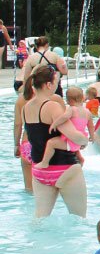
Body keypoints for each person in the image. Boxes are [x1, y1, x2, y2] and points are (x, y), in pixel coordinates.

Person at [22, 65, 89, 217]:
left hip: (39, 170)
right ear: (48, 85)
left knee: (40, 219)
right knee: (79, 219)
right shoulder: (51, 106)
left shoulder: (26, 107)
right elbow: (73, 135)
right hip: (64, 167)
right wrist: (85, 139)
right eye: (56, 83)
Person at [37, 86, 95, 168]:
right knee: (75, 149)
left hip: (70, 140)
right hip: (80, 139)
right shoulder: (87, 112)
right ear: (82, 98)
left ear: (68, 100)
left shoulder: (71, 109)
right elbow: (91, 126)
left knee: (51, 143)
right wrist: (92, 136)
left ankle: (44, 162)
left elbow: (64, 117)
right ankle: (80, 159)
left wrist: (54, 124)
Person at [13, 89, 33, 193]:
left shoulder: (21, 99)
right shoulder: (54, 99)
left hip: (27, 145)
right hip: (46, 145)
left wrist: (16, 145)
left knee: (29, 189)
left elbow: (17, 124)